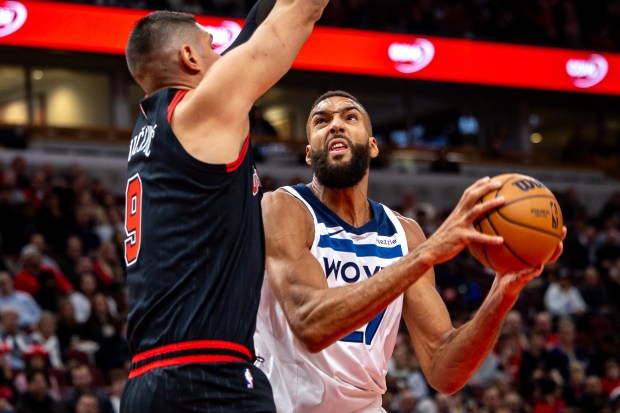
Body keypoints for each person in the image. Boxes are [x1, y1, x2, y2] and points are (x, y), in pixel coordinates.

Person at [254, 90, 566, 412]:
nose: (335, 125)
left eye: (350, 117)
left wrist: (502, 294)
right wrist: (426, 254)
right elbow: (310, 324)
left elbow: (444, 369)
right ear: (308, 153)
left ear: (373, 146)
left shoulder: (405, 234)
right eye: (321, 121)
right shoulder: (283, 208)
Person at [120, 0, 329, 412]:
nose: (223, 56)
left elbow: (254, 33)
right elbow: (298, 16)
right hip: (207, 378)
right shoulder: (201, 112)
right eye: (212, 46)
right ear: (189, 57)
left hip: (148, 381)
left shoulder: (156, 127)